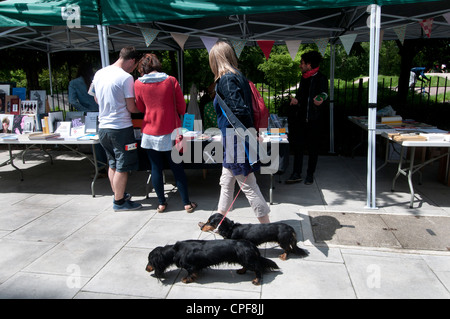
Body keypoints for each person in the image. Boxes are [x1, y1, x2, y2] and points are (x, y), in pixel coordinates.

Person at [209, 41, 270, 224]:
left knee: (248, 185)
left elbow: (239, 110)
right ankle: (218, 221)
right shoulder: (238, 77)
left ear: (216, 59)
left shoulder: (227, 79)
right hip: (234, 139)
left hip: (235, 139)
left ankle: (268, 227)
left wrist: (250, 132)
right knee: (226, 182)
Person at [134, 53, 197, 213]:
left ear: (143, 68)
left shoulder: (138, 83)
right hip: (171, 131)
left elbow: (141, 108)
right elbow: (182, 107)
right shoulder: (170, 81)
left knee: (156, 168)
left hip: (149, 131)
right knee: (177, 168)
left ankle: (161, 203)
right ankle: (186, 203)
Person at [91, 46, 142, 212]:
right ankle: (119, 202)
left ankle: (117, 195)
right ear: (132, 61)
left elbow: (96, 98)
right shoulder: (126, 78)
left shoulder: (99, 73)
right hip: (120, 128)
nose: (134, 69)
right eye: (135, 66)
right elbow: (131, 107)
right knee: (123, 166)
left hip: (103, 127)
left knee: (112, 163)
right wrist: (144, 109)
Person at [286, 50, 328, 185]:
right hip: (301, 119)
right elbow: (301, 97)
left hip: (315, 120)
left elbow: (324, 94)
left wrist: (321, 99)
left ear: (309, 65)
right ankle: (296, 173)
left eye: (302, 63)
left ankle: (310, 174)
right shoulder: (304, 78)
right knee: (298, 147)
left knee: (313, 148)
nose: (300, 65)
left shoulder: (321, 78)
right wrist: (296, 101)